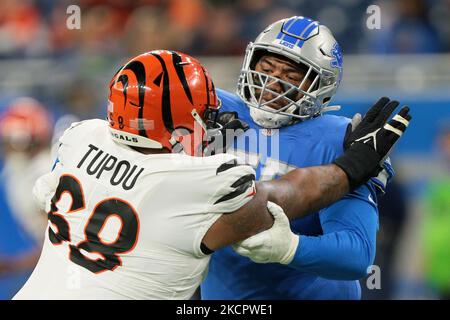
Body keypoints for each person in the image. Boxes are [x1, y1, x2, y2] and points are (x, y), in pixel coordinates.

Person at [13, 50, 410, 300]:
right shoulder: (199, 180)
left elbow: (46, 193)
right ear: (183, 126)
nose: (215, 120)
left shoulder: (79, 137)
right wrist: (350, 168)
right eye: (207, 114)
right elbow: (287, 194)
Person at [201, 16, 404, 300]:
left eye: (291, 76)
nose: (271, 83)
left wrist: (291, 248)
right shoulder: (212, 109)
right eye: (266, 68)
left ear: (321, 87)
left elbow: (357, 253)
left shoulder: (339, 138)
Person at [0, 98, 52, 298]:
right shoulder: (13, 173)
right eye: (10, 143)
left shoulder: (45, 174)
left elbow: (63, 244)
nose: (15, 151)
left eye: (22, 143)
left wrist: (14, 265)